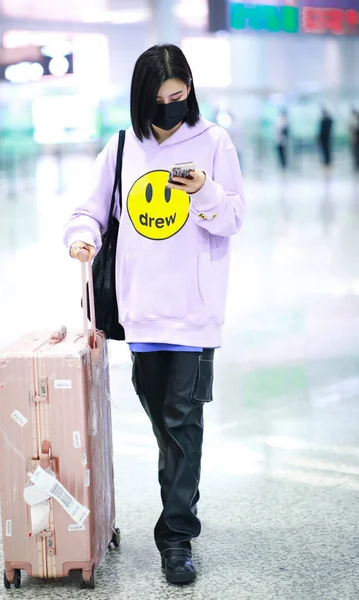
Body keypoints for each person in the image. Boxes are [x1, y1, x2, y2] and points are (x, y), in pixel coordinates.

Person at [63, 44, 245, 585]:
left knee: (181, 420)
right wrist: (81, 239)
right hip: (142, 314)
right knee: (164, 422)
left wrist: (205, 191)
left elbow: (232, 216)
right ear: (143, 99)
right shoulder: (121, 149)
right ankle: (184, 486)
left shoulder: (214, 142)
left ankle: (176, 537)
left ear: (190, 90)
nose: (171, 107)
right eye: (161, 98)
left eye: (180, 96)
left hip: (193, 312)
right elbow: (88, 213)